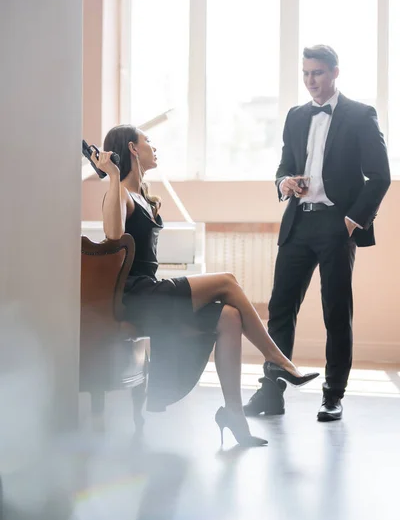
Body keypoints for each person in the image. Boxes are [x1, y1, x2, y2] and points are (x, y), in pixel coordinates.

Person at [91, 124, 319, 447]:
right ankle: (278, 360)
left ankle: (234, 417)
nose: (153, 146)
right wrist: (113, 176)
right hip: (135, 295)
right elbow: (114, 237)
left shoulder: (143, 196)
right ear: (132, 148)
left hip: (151, 290)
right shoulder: (122, 195)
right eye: (148, 141)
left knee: (229, 317)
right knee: (227, 281)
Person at [244, 45, 391, 422]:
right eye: (306, 73)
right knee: (280, 308)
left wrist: (351, 221)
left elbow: (380, 176)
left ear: (335, 73)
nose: (311, 81)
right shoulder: (295, 116)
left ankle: (333, 395)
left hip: (336, 226)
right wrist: (285, 183)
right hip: (298, 221)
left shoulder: (360, 115)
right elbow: (283, 167)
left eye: (319, 73)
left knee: (335, 312)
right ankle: (272, 391)